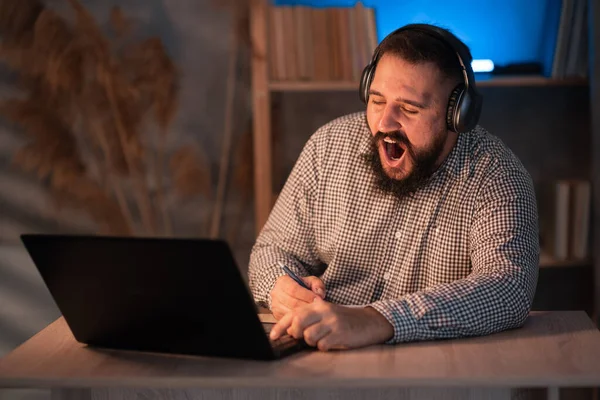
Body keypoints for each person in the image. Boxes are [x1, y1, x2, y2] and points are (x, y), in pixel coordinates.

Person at [248, 23, 539, 351]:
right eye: (376, 100)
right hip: (321, 357)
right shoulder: (327, 148)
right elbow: (273, 250)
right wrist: (281, 286)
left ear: (458, 114)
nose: (385, 122)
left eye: (410, 109)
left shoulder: (496, 175)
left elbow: (508, 288)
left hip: (434, 369)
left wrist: (377, 320)